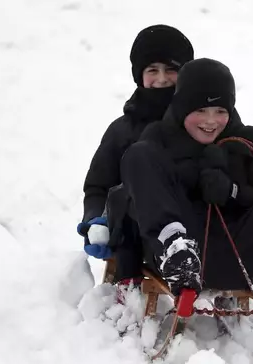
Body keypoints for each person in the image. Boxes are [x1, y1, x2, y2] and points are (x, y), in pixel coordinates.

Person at [120, 58, 253, 297]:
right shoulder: (158, 138)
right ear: (181, 108)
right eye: (200, 110)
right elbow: (136, 198)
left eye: (220, 111)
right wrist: (192, 180)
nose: (210, 121)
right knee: (138, 155)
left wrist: (233, 191)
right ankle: (176, 247)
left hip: (249, 253)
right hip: (189, 255)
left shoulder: (247, 141)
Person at [78, 25, 194, 303]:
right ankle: (129, 290)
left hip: (197, 231)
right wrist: (96, 220)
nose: (162, 79)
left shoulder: (201, 124)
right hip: (137, 237)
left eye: (171, 69)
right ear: (139, 75)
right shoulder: (122, 130)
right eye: (152, 70)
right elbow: (98, 185)